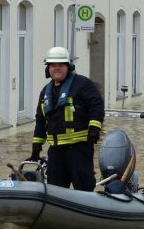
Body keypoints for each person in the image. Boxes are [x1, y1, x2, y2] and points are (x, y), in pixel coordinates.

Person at [27, 46, 105, 192]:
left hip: (79, 149)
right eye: (53, 65)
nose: (57, 68)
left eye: (60, 65)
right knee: (55, 191)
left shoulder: (82, 84)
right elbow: (40, 120)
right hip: (56, 151)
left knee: (83, 189)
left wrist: (94, 128)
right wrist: (36, 148)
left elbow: (97, 105)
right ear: (48, 68)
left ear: (68, 67)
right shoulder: (45, 92)